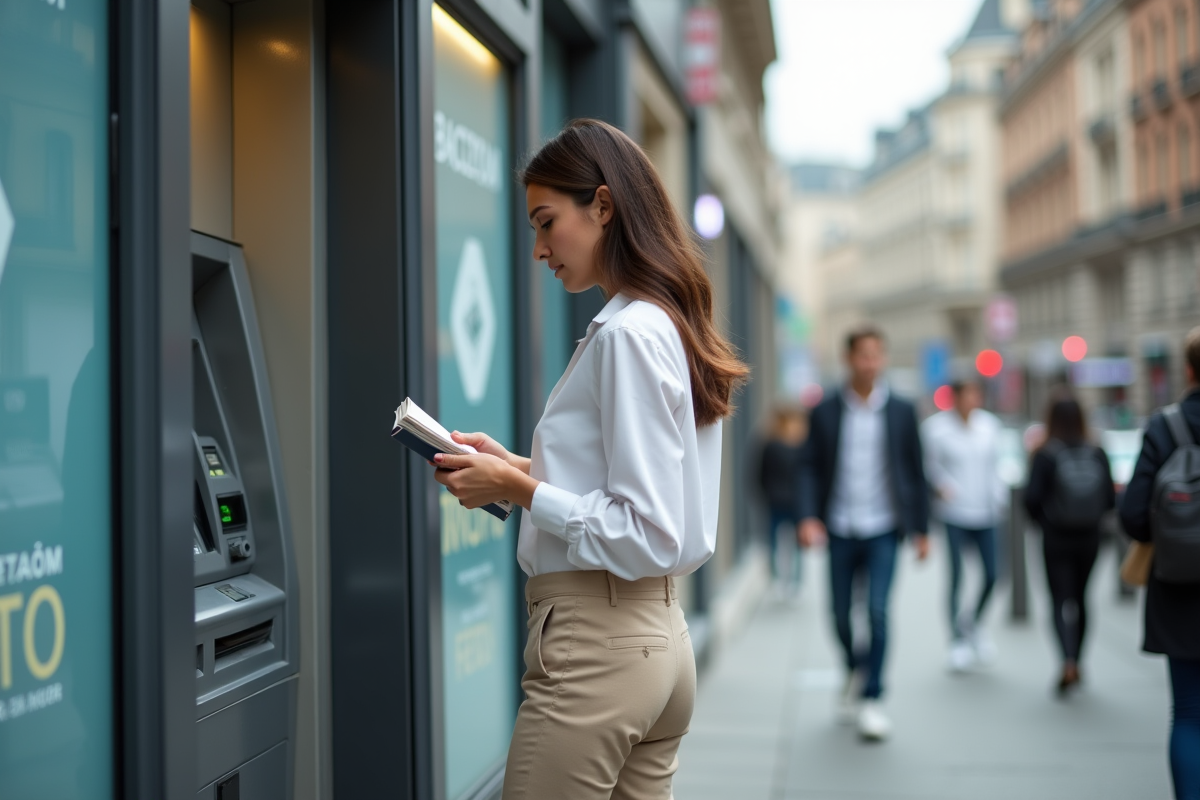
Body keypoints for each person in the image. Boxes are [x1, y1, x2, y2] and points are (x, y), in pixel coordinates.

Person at [428, 119, 748, 800]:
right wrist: (515, 470)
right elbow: (634, 493)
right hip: (657, 641)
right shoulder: (663, 324)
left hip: (600, 647)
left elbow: (643, 527)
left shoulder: (627, 335)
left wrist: (519, 489)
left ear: (603, 206)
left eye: (547, 223)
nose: (539, 249)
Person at [798, 325, 930, 741]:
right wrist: (808, 517)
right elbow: (808, 467)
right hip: (839, 527)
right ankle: (854, 667)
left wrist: (922, 529)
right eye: (863, 355)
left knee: (877, 611)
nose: (870, 363)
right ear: (848, 359)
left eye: (876, 355)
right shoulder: (825, 409)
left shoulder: (902, 410)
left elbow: (916, 471)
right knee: (839, 615)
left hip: (883, 529)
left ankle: (872, 697)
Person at [1119, 326, 1200, 800]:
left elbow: (1132, 516)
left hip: (1179, 585)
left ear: (1188, 370)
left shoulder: (1165, 426)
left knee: (1188, 712)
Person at [1023, 394, 1115, 695]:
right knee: (1082, 598)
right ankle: (1079, 659)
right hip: (1089, 537)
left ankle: (1066, 660)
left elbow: (1031, 499)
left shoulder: (1045, 454)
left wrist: (1045, 522)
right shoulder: (1096, 451)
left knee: (1058, 601)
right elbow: (1110, 498)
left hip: (1056, 538)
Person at [921, 379, 1004, 672]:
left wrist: (999, 497)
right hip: (954, 513)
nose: (972, 400)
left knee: (993, 575)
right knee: (956, 577)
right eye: (967, 394)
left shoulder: (989, 426)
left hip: (986, 513)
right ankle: (957, 640)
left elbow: (995, 466)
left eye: (976, 394)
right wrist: (942, 487)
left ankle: (974, 623)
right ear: (955, 397)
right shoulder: (936, 429)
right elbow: (929, 466)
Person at [758, 406, 807, 597]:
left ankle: (794, 581)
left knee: (795, 544)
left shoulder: (802, 446)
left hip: (794, 503)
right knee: (774, 542)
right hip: (778, 502)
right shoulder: (772, 446)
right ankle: (778, 579)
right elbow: (761, 474)